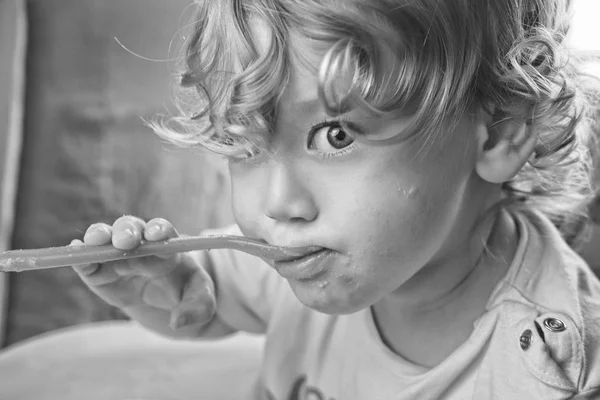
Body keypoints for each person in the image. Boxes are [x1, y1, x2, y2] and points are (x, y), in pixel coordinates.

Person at [70, 0, 600, 398]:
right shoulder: (297, 257)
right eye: (243, 142)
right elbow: (202, 306)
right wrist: (163, 294)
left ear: (499, 130)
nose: (278, 205)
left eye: (336, 135)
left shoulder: (555, 367)